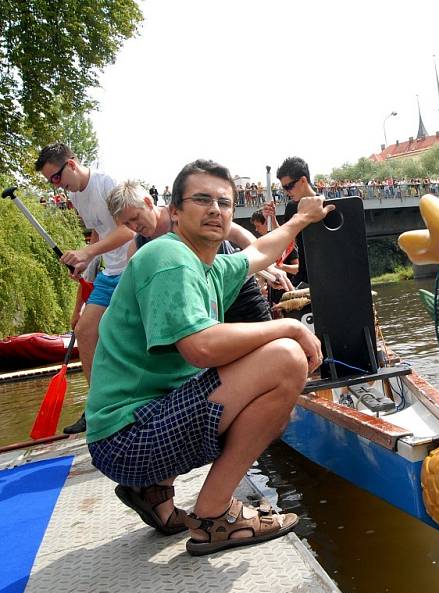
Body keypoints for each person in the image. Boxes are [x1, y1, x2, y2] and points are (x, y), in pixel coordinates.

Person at [85, 159, 334, 556]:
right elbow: (199, 347)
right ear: (174, 211)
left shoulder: (209, 264)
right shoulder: (169, 258)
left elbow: (262, 252)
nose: (215, 209)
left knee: (277, 402)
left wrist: (302, 218)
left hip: (133, 431)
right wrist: (290, 327)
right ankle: (214, 517)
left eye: (224, 202)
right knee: (286, 359)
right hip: (129, 438)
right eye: (201, 200)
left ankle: (153, 492)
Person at [35, 142, 135, 434]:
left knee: (116, 333)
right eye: (51, 182)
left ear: (72, 163)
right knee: (85, 330)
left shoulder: (108, 185)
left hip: (132, 268)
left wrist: (88, 254)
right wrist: (86, 266)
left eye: (57, 178)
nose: (57, 186)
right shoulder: (76, 195)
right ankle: (97, 408)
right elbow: (97, 232)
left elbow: (128, 229)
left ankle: (131, 402)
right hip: (109, 271)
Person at [109, 181, 292, 322]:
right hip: (201, 307)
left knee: (270, 350)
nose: (134, 226)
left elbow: (238, 234)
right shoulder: (137, 249)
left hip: (238, 291)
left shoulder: (186, 214)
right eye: (127, 224)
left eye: (135, 218)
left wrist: (269, 267)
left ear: (148, 203)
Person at [275, 156, 323, 287]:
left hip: (327, 276)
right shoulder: (291, 207)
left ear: (303, 180)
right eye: (284, 188)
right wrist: (272, 219)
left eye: (289, 186)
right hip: (304, 277)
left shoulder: (327, 205)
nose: (286, 192)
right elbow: (288, 239)